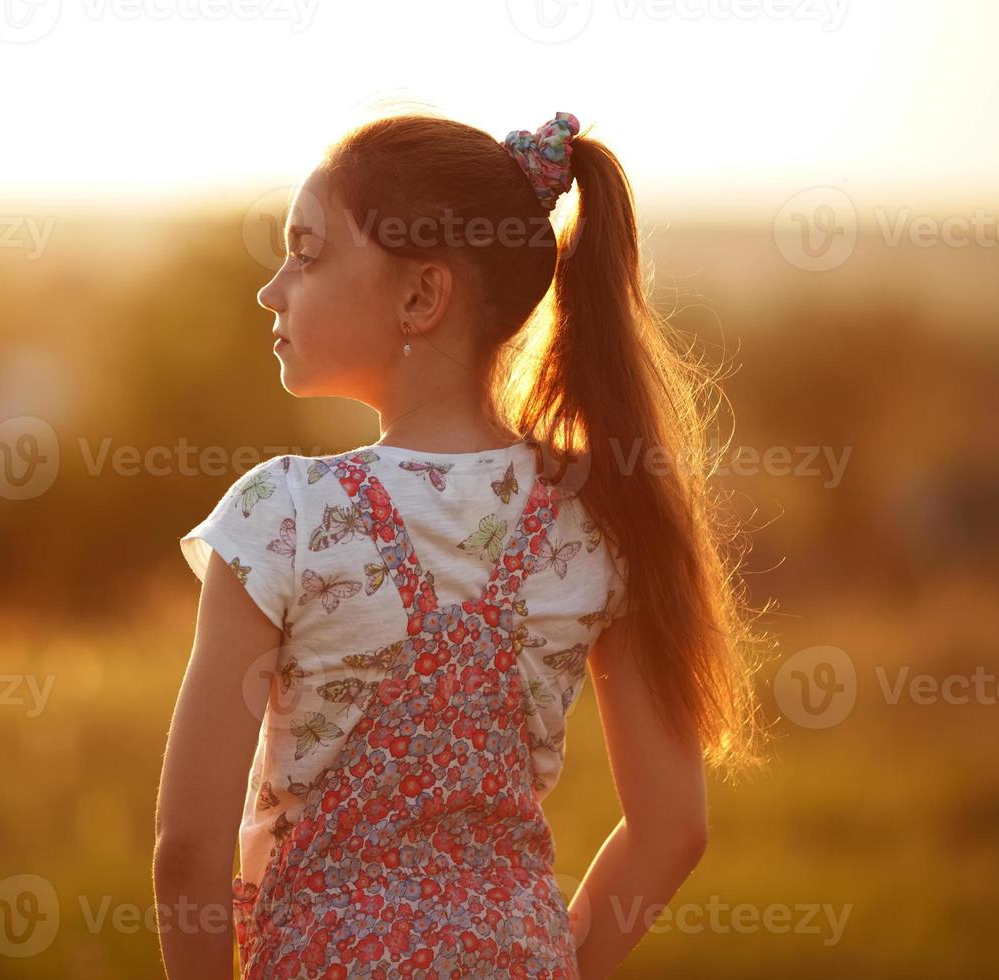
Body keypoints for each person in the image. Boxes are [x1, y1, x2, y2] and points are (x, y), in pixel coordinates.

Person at [155, 110, 769, 979]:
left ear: (420, 296)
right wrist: (550, 963)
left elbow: (188, 843)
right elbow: (674, 828)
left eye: (307, 251)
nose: (274, 288)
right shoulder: (596, 517)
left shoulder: (282, 515)